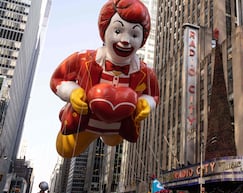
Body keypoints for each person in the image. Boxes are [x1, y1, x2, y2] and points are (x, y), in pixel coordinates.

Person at [49, 0, 160, 158]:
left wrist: (145, 103)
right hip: (84, 123)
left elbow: (154, 95)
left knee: (113, 141)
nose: (125, 40)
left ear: (142, 39)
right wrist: (72, 92)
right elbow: (58, 78)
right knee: (64, 149)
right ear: (105, 30)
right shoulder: (84, 59)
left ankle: (109, 133)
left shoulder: (145, 72)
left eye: (134, 34)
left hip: (117, 128)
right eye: (118, 31)